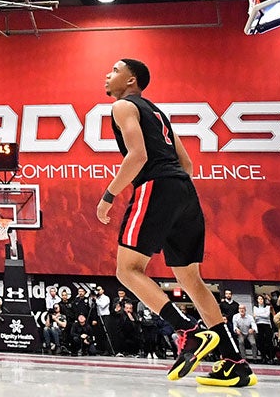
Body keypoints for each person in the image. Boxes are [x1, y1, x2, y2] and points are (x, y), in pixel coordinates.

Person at [97, 58, 256, 387]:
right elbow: (187, 164)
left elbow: (138, 156)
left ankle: (187, 331)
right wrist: (173, 193)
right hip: (184, 192)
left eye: (114, 70)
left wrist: (109, 195)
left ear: (131, 81)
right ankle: (235, 362)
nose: (107, 75)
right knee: (192, 280)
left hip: (156, 185)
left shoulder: (124, 106)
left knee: (127, 269)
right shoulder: (158, 113)